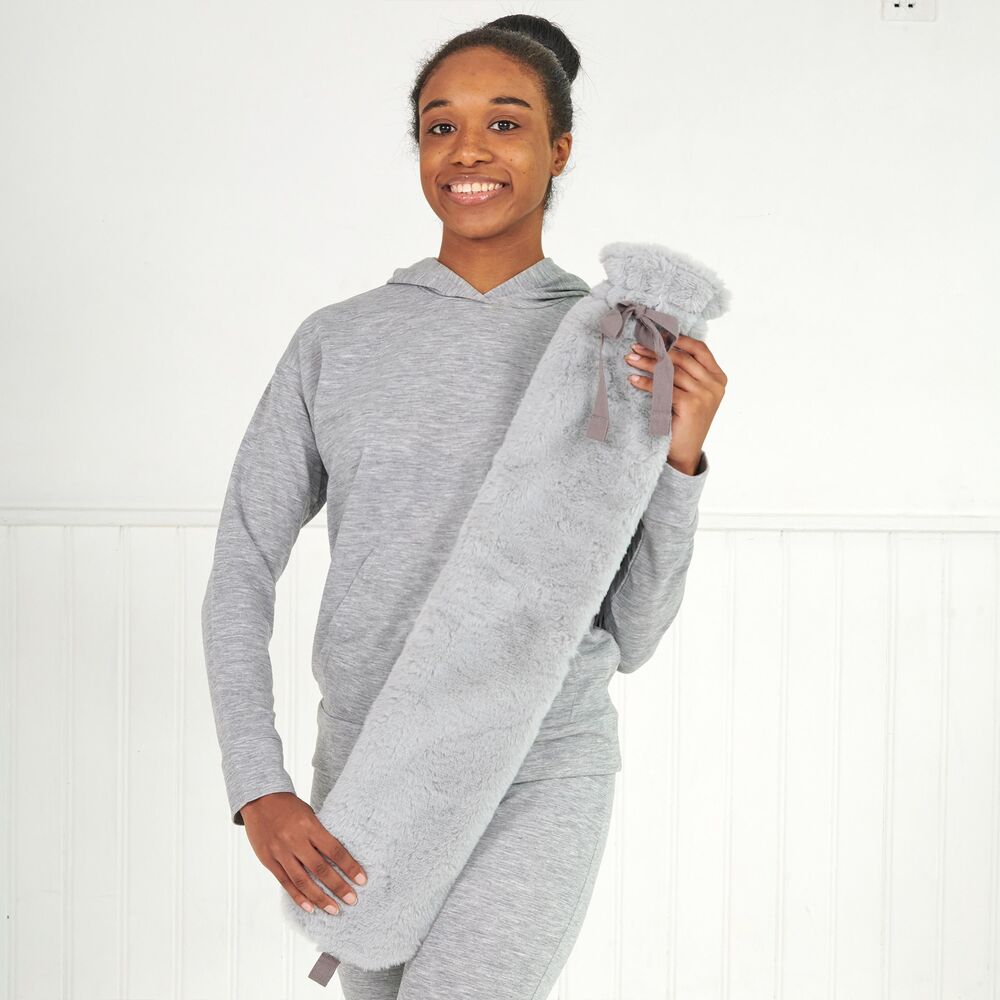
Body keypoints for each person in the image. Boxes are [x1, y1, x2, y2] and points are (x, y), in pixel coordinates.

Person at [201, 12, 727, 1000]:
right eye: (441, 126)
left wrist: (681, 457)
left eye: (506, 123)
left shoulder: (621, 350)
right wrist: (256, 783)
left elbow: (635, 633)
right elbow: (241, 564)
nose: (469, 150)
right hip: (370, 769)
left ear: (558, 148)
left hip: (541, 763)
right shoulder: (336, 341)